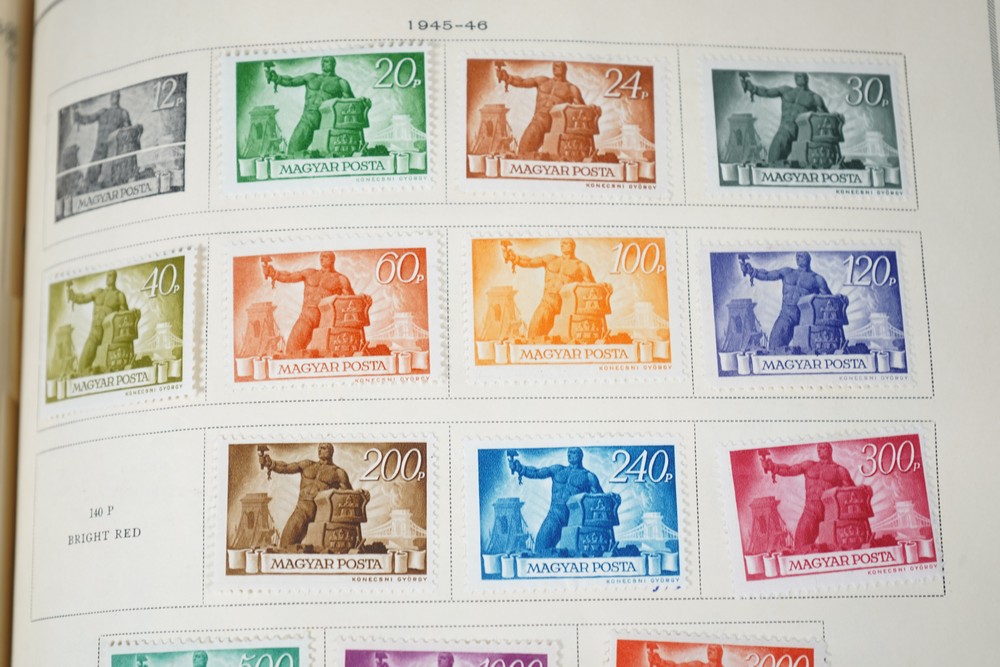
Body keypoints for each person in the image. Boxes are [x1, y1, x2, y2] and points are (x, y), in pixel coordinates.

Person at [761, 442, 856, 551]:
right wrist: (773, 467)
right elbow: (789, 469)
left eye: (822, 447)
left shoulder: (840, 470)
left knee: (833, 549)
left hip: (829, 515)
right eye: (818, 448)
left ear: (830, 450)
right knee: (800, 545)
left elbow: (851, 493)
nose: (819, 450)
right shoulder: (809, 465)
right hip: (811, 511)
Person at [502, 239, 601, 340]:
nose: (562, 244)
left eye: (566, 243)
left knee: (565, 340)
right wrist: (514, 258)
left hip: (565, 308)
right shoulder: (551, 259)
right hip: (548, 303)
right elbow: (530, 262)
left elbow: (592, 288)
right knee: (533, 333)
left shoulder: (581, 266)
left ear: (573, 246)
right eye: (561, 243)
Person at [509, 447, 604, 552]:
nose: (569, 455)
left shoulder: (589, 477)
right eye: (568, 453)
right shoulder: (558, 470)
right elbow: (537, 472)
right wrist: (520, 468)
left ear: (580, 455)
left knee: (574, 553)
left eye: (573, 453)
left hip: (574, 519)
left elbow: (600, 499)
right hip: (555, 515)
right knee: (541, 546)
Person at [259, 443, 354, 547]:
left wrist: (360, 493)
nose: (319, 450)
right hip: (302, 511)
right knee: (285, 544)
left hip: (321, 515)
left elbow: (349, 495)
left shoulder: (339, 473)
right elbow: (286, 467)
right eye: (319, 448)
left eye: (323, 448)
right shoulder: (307, 465)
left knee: (320, 549)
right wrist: (270, 463)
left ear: (331, 451)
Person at [263, 251, 355, 355]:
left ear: (332, 260)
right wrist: (274, 273)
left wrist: (363, 298)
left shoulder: (340, 279)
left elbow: (351, 300)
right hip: (307, 317)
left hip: (325, 321)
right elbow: (290, 276)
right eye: (321, 257)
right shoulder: (310, 273)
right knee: (291, 349)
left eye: (325, 257)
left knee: (324, 354)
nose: (321, 259)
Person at [741, 252, 832, 351]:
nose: (797, 258)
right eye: (797, 256)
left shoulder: (817, 279)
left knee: (806, 351)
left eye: (801, 256)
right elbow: (767, 275)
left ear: (808, 258)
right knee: (774, 345)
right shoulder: (788, 272)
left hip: (804, 319)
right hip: (786, 315)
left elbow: (828, 300)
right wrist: (751, 271)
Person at [266, 56, 355, 156]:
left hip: (326, 122)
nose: (323, 64)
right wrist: (276, 78)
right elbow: (291, 81)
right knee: (293, 151)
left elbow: (351, 103)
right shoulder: (311, 77)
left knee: (326, 155)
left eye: (326, 62)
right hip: (308, 119)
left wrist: (362, 101)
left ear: (334, 64)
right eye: (322, 62)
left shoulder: (341, 83)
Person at [497, 61, 585, 157]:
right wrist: (508, 78)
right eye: (554, 65)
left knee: (555, 158)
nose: (555, 67)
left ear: (565, 68)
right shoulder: (543, 80)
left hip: (556, 127)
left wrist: (592, 108)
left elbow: (582, 110)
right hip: (539, 122)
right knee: (523, 151)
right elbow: (522, 82)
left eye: (558, 65)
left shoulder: (572, 89)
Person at [742, 72, 830, 165]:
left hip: (800, 136)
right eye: (797, 76)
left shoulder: (815, 98)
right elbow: (766, 92)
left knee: (797, 165)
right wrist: (752, 88)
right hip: (784, 131)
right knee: (773, 160)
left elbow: (826, 118)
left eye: (801, 75)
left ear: (807, 78)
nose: (798, 77)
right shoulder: (786, 90)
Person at [66, 270, 129, 374]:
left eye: (110, 276)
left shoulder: (119, 296)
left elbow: (125, 315)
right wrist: (73, 296)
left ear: (115, 278)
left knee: (107, 366)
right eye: (107, 276)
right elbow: (83, 298)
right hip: (95, 332)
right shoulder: (98, 292)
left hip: (109, 335)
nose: (107, 278)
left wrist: (132, 313)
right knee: (82, 365)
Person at [74, 90, 133, 186]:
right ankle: (89, 184)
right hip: (100, 146)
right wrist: (78, 117)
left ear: (119, 98)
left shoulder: (123, 113)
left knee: (111, 175)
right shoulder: (103, 112)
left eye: (116, 96)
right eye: (113, 96)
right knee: (92, 175)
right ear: (110, 98)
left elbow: (128, 131)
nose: (114, 98)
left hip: (113, 148)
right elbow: (89, 119)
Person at [646, 643, 724, 667]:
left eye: (713, 650)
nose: (709, 651)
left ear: (720, 653)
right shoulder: (699, 665)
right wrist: (660, 662)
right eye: (708, 649)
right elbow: (676, 666)